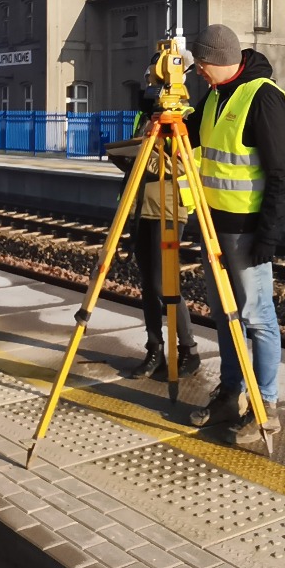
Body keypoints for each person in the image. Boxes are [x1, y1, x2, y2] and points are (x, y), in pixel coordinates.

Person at [189, 23, 285, 440]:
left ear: (214, 61)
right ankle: (231, 392)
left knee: (257, 317)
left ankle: (265, 404)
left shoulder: (263, 97)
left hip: (247, 232)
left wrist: (268, 237)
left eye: (199, 65)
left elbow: (282, 173)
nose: (196, 72)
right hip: (214, 226)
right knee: (225, 315)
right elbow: (192, 133)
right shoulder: (215, 95)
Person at [106, 88, 199, 381]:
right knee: (148, 284)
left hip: (169, 210)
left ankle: (188, 350)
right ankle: (155, 349)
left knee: (165, 284)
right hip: (141, 208)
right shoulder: (147, 118)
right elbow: (140, 153)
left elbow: (182, 165)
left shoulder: (186, 119)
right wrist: (126, 157)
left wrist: (143, 159)